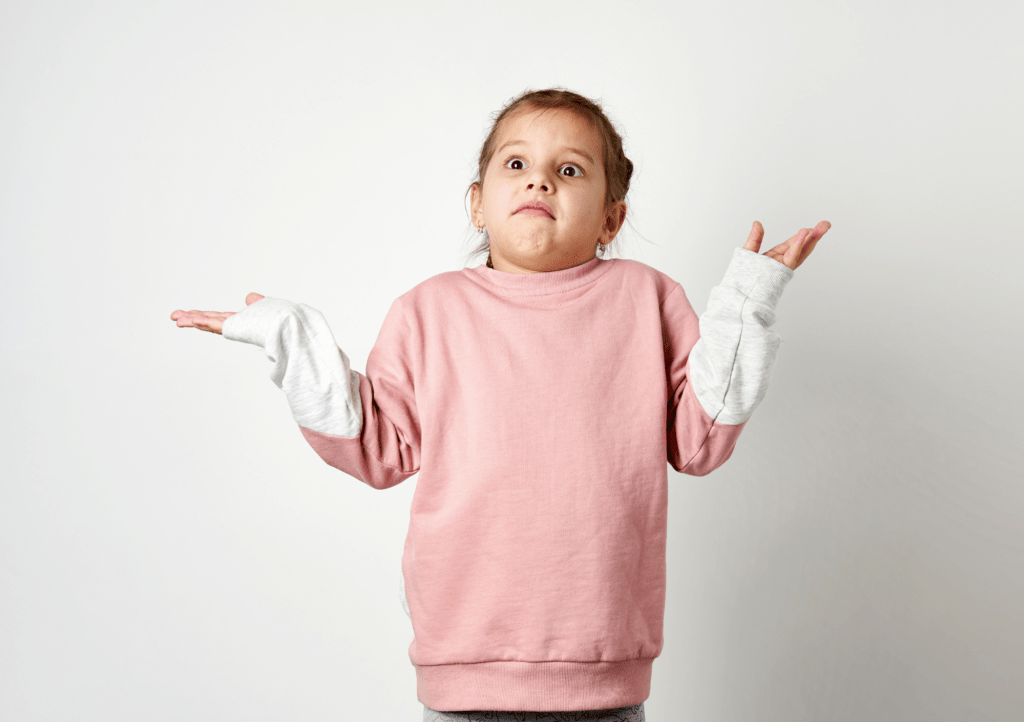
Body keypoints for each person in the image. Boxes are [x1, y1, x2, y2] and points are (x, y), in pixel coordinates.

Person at [171, 88, 829, 722]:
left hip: (602, 668)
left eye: (569, 169)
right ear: (479, 205)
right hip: (465, 662)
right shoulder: (428, 312)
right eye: (517, 164)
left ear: (611, 217)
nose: (539, 181)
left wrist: (747, 300)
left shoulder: (647, 299)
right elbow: (375, 447)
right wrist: (296, 338)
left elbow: (700, 440)